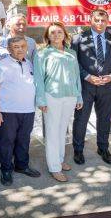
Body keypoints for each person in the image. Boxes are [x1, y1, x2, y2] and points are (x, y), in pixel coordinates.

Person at [71, 9, 111, 166]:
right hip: (85, 86)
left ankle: (103, 148)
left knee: (104, 119)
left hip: (107, 87)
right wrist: (87, 76)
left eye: (103, 20)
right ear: (90, 20)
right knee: (81, 119)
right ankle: (78, 150)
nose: (100, 23)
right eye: (97, 20)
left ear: (107, 21)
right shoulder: (78, 39)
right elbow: (73, 62)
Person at [33, 21, 83, 182]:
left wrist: (79, 96)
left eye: (59, 32)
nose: (56, 35)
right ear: (47, 35)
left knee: (62, 130)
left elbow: (76, 77)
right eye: (52, 32)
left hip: (70, 96)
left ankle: (60, 160)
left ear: (64, 34)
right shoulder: (42, 53)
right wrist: (41, 99)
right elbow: (38, 79)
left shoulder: (71, 53)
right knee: (53, 132)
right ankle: (54, 167)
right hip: (51, 96)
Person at [0, 36, 41, 186]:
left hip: (28, 110)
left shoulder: (30, 64)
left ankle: (22, 165)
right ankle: (6, 169)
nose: (20, 49)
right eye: (16, 47)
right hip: (8, 111)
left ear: (27, 48)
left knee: (24, 140)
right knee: (6, 142)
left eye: (22, 46)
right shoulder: (1, 65)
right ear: (10, 49)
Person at [0, 14, 37, 163]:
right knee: (1, 128)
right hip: (2, 88)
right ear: (9, 25)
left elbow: (34, 64)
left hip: (23, 95)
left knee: (21, 135)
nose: (21, 27)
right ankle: (0, 151)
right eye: (18, 24)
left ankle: (20, 161)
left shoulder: (31, 42)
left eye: (24, 24)